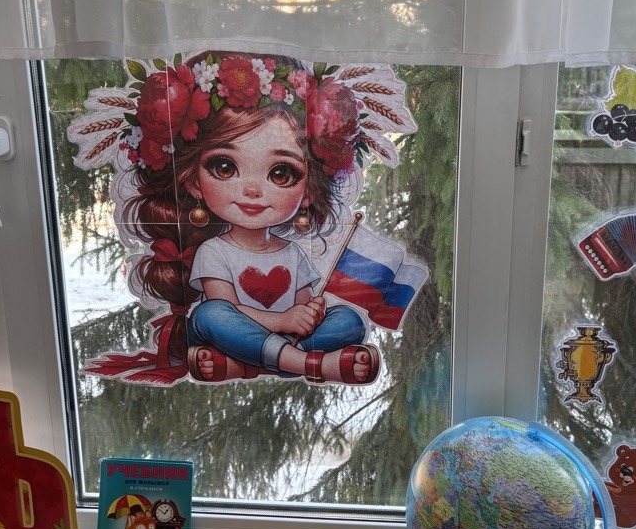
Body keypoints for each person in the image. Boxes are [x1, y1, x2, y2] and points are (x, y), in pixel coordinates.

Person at [68, 51, 419, 387]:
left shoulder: (294, 254)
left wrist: (307, 314)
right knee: (208, 316)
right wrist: (283, 321)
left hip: (272, 340)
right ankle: (305, 364)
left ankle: (242, 364)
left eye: (281, 173)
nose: (252, 190)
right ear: (194, 181)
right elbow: (228, 308)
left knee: (349, 321)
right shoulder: (214, 251)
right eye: (225, 167)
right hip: (243, 330)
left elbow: (300, 310)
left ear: (307, 192)